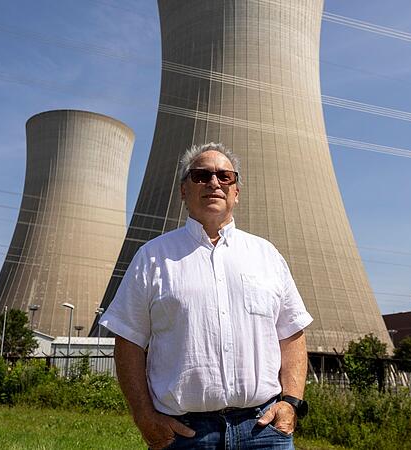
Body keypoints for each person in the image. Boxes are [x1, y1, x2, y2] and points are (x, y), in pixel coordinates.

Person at [100, 142, 312, 449]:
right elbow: (128, 340)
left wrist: (291, 402)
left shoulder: (266, 255)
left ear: (236, 192)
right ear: (184, 191)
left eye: (224, 176)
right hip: (185, 434)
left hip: (263, 430)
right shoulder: (153, 258)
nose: (214, 183)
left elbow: (292, 333)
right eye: (201, 175)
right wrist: (143, 415)